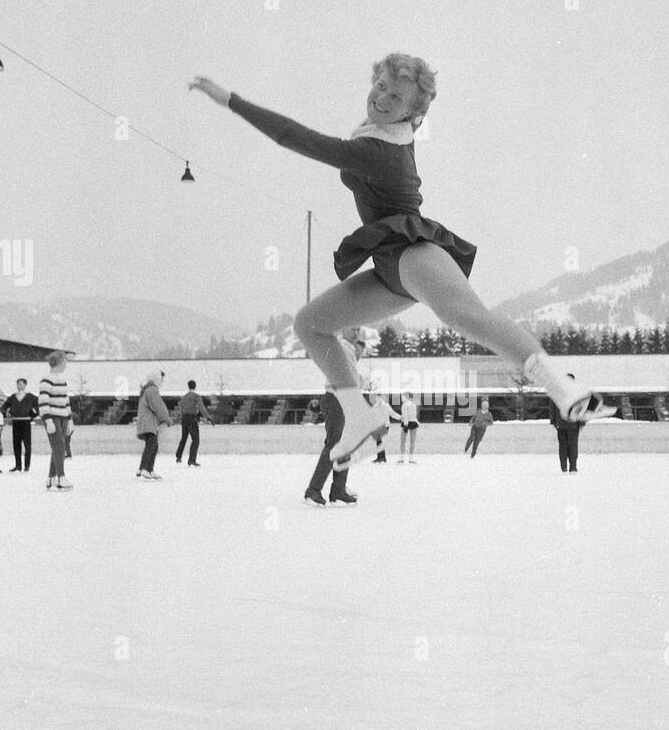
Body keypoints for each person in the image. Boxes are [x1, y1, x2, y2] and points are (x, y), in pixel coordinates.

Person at [189, 54, 611, 471]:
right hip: (389, 268)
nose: (383, 99)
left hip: (414, 252)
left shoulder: (377, 150)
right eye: (381, 87)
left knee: (468, 317)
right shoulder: (387, 132)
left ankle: (563, 389)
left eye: (398, 98)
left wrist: (230, 100)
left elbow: (292, 136)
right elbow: (391, 112)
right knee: (311, 325)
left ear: (411, 112)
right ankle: (358, 416)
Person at [305, 335, 366, 506]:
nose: (356, 333)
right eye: (354, 329)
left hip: (344, 399)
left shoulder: (349, 351)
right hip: (336, 398)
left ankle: (338, 489)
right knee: (334, 444)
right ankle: (314, 490)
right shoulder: (341, 346)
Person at [39, 351, 74, 490]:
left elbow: (67, 401)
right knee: (59, 447)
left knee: (58, 448)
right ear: (59, 362)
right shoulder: (46, 380)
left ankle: (51, 478)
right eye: (65, 361)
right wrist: (47, 420)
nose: (66, 364)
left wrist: (70, 419)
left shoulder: (63, 380)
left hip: (64, 417)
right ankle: (61, 477)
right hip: (52, 417)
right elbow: (43, 401)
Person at [135, 370, 172, 480]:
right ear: (156, 379)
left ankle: (144, 469)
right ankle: (147, 469)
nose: (162, 381)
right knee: (152, 446)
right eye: (161, 379)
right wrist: (167, 419)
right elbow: (158, 406)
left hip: (146, 422)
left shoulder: (146, 389)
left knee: (150, 446)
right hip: (149, 423)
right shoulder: (152, 390)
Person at [549, 372, 585, 472]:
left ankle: (563, 467)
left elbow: (552, 408)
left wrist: (553, 422)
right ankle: (573, 467)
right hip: (573, 425)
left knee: (562, 446)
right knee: (573, 446)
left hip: (560, 425)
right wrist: (581, 422)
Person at [2, 378, 39, 471]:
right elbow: (5, 406)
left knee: (27, 444)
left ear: (25, 385)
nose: (19, 386)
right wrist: (7, 412)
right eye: (17, 384)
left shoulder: (30, 397)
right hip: (16, 421)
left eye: (21, 384)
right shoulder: (12, 397)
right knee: (16, 444)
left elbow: (39, 406)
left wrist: (32, 415)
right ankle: (18, 465)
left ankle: (27, 466)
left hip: (26, 421)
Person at [175, 380, 210, 466]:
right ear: (195, 386)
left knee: (183, 438)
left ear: (188, 386)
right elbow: (201, 408)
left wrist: (178, 419)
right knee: (195, 440)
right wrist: (208, 417)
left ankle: (178, 456)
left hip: (184, 419)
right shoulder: (196, 397)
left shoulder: (184, 397)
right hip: (192, 419)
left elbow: (180, 410)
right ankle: (191, 460)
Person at [397, 392, 420, 463]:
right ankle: (411, 458)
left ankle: (402, 458)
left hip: (406, 423)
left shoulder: (404, 405)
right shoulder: (414, 404)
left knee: (403, 441)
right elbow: (415, 415)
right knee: (412, 441)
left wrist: (405, 425)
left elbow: (405, 415)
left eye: (402, 397)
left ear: (406, 397)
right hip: (413, 422)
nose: (401, 398)